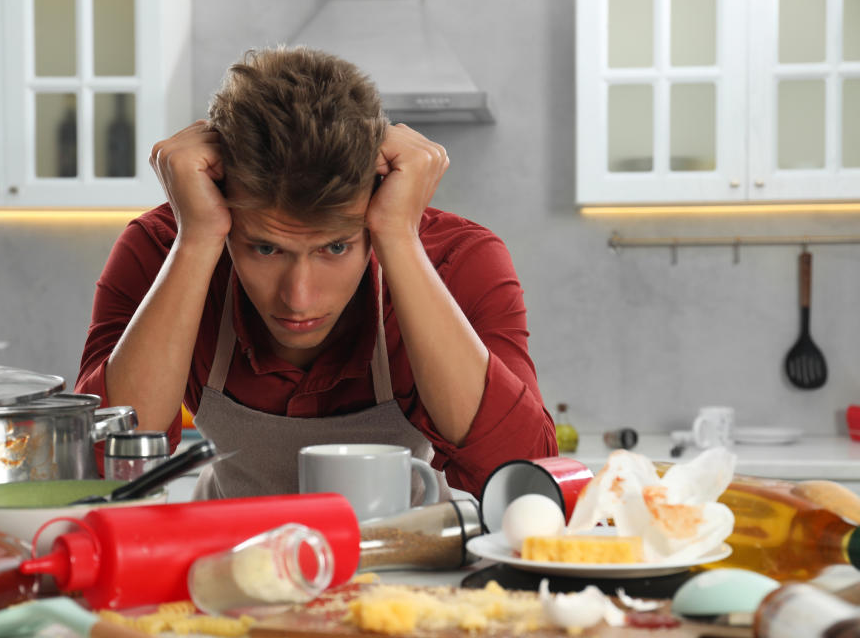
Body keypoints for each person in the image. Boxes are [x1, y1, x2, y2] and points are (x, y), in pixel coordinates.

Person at [76, 45, 556, 500]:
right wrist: (197, 239)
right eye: (265, 248)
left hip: (407, 577)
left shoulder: (459, 259)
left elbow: (524, 477)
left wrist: (398, 238)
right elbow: (102, 467)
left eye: (335, 246)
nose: (299, 298)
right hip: (226, 569)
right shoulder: (164, 248)